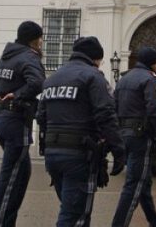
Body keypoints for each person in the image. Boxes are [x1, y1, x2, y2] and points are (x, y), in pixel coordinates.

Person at [37, 36, 126, 227]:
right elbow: (106, 115)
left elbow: (40, 117)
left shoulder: (51, 79)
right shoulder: (93, 77)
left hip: (53, 155)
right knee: (75, 215)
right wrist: (119, 151)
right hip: (80, 155)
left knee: (73, 210)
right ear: (95, 58)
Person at [0, 21, 46, 227]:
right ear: (35, 39)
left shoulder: (6, 57)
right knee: (10, 178)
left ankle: (6, 221)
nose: (41, 42)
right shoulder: (29, 56)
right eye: (40, 38)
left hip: (1, 120)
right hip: (16, 120)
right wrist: (17, 95)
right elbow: (37, 82)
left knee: (22, 172)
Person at [111, 48, 156, 227]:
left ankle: (155, 221)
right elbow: (154, 109)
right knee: (134, 183)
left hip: (124, 134)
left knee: (144, 181)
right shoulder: (150, 79)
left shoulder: (124, 78)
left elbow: (113, 107)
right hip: (140, 135)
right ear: (152, 63)